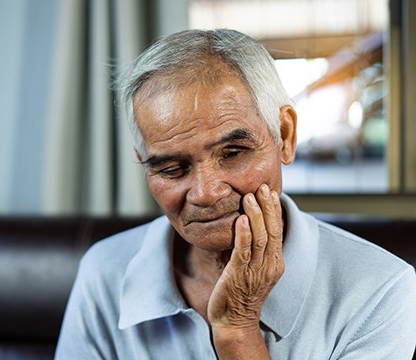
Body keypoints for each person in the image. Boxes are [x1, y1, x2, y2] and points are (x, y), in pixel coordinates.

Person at [55, 29, 416, 359]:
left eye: (234, 153)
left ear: (285, 135)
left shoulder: (380, 289)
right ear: (144, 164)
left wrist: (237, 329)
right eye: (172, 169)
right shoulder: (104, 272)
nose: (207, 193)